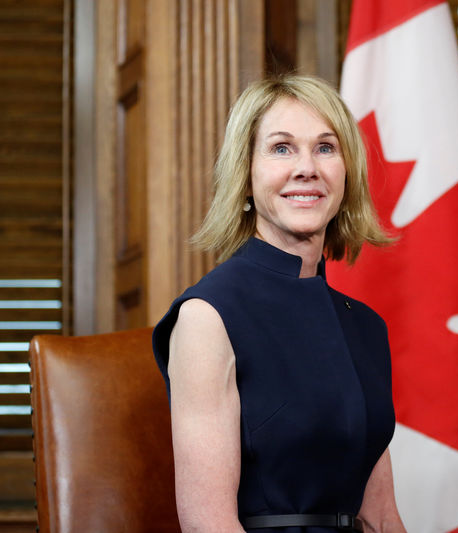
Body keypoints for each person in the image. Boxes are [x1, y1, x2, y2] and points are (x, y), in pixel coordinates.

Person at [152, 74, 406, 533]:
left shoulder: (367, 327)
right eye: (282, 148)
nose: (307, 167)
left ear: (346, 175)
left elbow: (381, 517)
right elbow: (208, 525)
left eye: (326, 148)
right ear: (245, 178)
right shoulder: (207, 317)